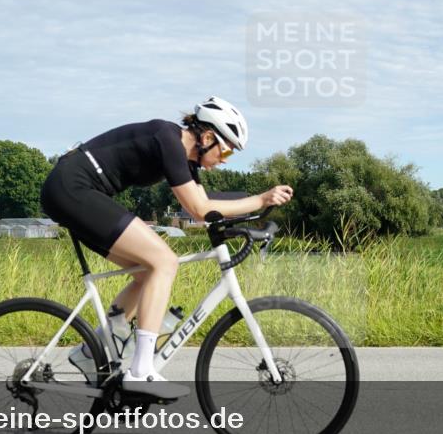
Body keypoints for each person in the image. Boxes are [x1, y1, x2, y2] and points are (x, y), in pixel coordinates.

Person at [39, 97, 293, 399]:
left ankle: (90, 350)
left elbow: (208, 211)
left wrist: (243, 224)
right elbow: (199, 209)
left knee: (148, 271)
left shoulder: (184, 159)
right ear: (208, 137)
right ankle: (141, 370)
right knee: (164, 261)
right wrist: (261, 200)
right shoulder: (168, 140)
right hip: (72, 188)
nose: (224, 159)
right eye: (225, 150)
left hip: (75, 191)